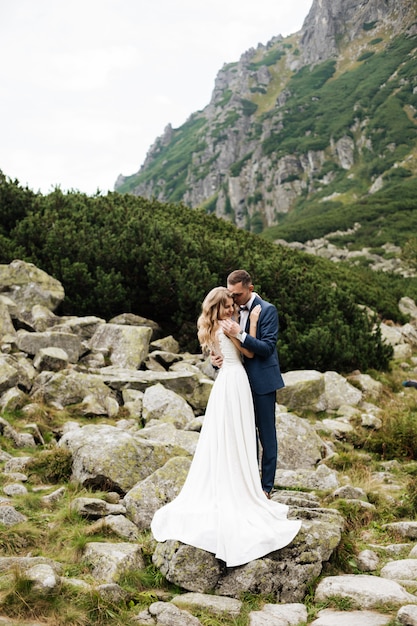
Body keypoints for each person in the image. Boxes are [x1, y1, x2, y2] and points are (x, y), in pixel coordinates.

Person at [151, 286, 301, 568]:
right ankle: (248, 487)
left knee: (228, 436)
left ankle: (252, 483)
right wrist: (249, 326)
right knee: (237, 435)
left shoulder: (213, 327)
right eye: (228, 305)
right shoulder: (229, 326)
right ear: (220, 307)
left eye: (234, 303)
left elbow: (237, 351)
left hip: (227, 385)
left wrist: (221, 351)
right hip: (235, 384)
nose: (233, 308)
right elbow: (249, 352)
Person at [215, 270, 283, 498]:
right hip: (236, 382)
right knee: (244, 434)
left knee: (266, 434)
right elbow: (226, 346)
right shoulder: (229, 311)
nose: (234, 299)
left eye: (238, 294)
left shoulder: (268, 310)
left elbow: (266, 348)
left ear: (250, 288)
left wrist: (241, 334)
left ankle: (265, 487)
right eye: (231, 294)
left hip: (262, 381)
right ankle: (248, 483)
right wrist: (217, 361)